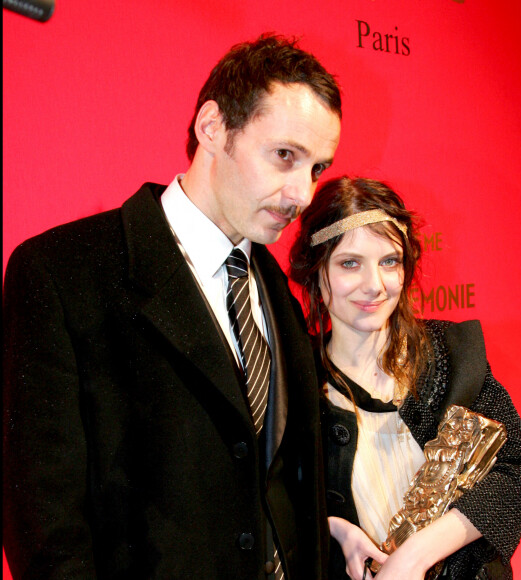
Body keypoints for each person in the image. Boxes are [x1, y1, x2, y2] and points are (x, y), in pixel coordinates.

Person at [3, 35, 342, 579]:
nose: (301, 193)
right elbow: (45, 526)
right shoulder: (63, 273)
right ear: (212, 127)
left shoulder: (276, 286)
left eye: (317, 168)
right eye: (285, 156)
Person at [289, 177, 521, 579]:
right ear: (315, 271)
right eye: (349, 263)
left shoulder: (448, 353)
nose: (374, 285)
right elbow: (266, 501)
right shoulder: (294, 379)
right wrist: (331, 528)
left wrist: (416, 556)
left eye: (389, 261)